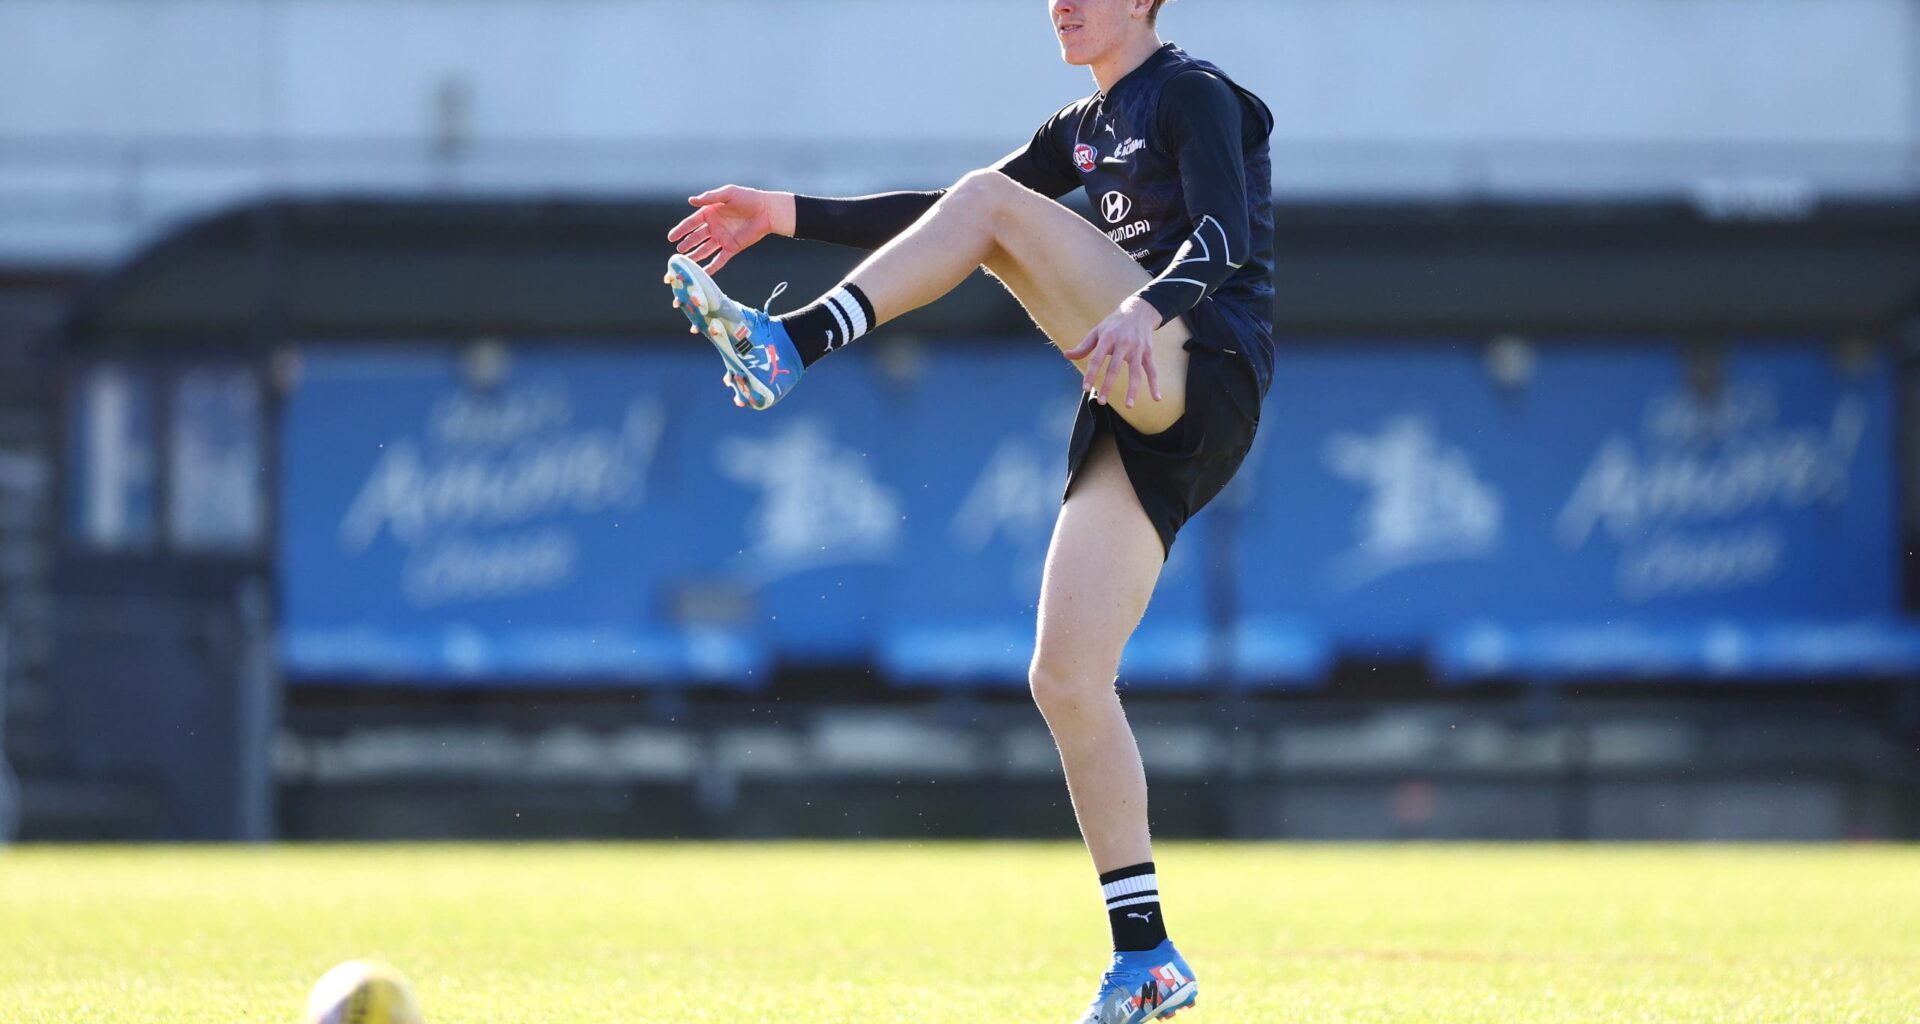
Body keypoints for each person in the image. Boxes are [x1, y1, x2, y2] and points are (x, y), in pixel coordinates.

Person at [664, 1, 1272, 1020]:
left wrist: (1141, 306)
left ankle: (792, 344)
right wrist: (787, 212)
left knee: (992, 206)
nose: (1061, 3)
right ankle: (1149, 959)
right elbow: (950, 212)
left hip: (1196, 358)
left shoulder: (1194, 93)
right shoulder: (1082, 125)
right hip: (1140, 396)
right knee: (1068, 676)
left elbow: (1224, 234)